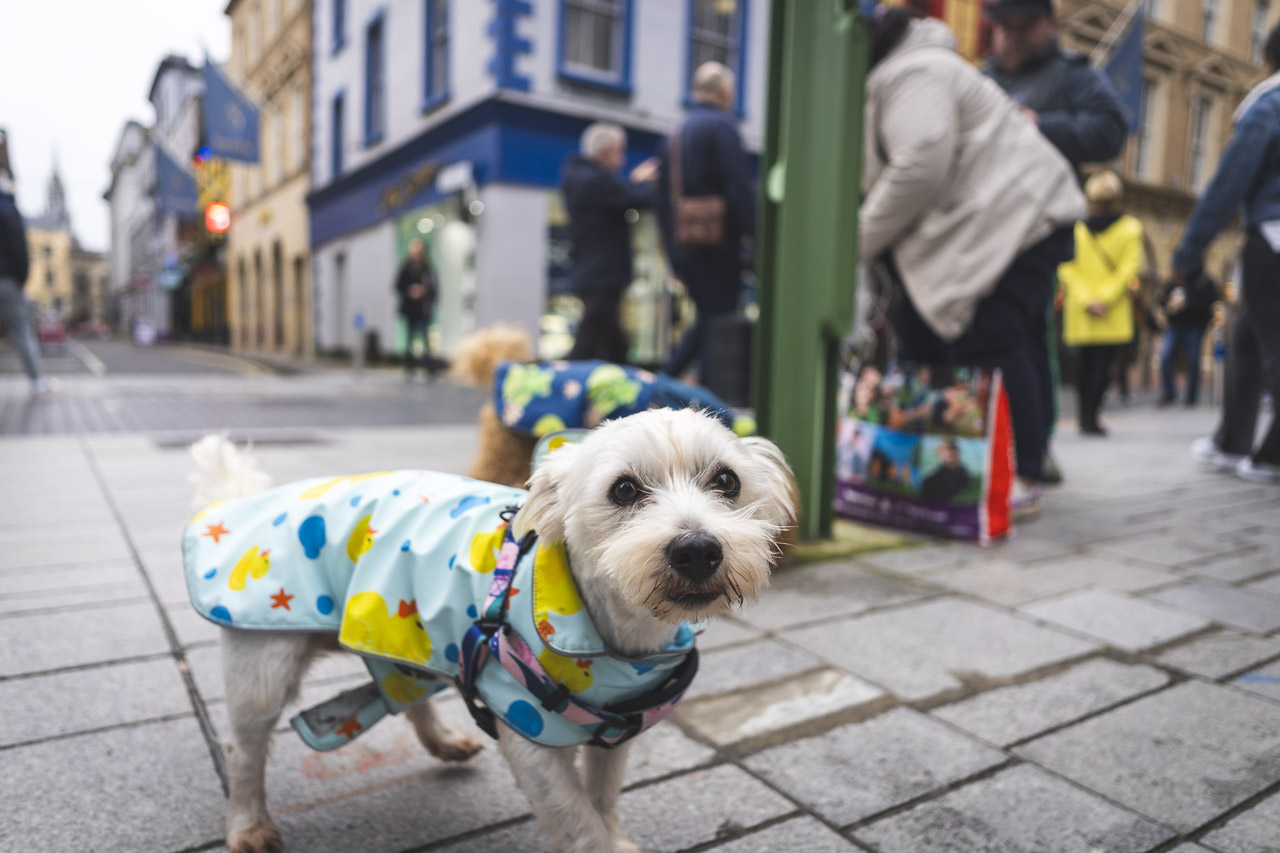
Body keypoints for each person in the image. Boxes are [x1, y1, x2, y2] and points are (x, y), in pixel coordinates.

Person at [861, 8, 1084, 516]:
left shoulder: (913, 73)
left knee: (995, 343)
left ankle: (1019, 473)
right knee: (962, 341)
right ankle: (975, 465)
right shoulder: (917, 68)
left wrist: (858, 241)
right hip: (1004, 217)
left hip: (1014, 218)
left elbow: (919, 165)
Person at [985, 0, 1129, 478]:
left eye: (1024, 28)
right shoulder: (986, 74)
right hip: (982, 227)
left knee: (1021, 340)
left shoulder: (1073, 75)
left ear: (1050, 26)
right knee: (1001, 341)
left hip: (1037, 231)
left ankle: (1030, 452)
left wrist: (1040, 126)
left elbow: (1111, 130)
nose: (1012, 38)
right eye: (1004, 28)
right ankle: (1002, 446)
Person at [1179, 24, 1280, 485]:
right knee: (1247, 335)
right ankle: (1231, 441)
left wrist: (1190, 251)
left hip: (1273, 236)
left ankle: (1272, 454)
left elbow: (1228, 183)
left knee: (1271, 343)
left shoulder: (1268, 102)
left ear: (1267, 58)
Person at [652, 61, 756, 384]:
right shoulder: (723, 128)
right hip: (717, 246)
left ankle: (665, 380)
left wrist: (672, 252)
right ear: (724, 92)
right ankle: (706, 404)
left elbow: (661, 201)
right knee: (719, 325)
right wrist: (754, 235)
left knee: (708, 321)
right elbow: (738, 187)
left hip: (685, 247)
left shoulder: (674, 134)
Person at [1058, 171, 1141, 437]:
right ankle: (1092, 418)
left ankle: (1083, 417)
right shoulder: (1130, 228)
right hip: (1111, 311)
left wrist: (1086, 299)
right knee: (1103, 366)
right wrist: (1105, 299)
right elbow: (1128, 269)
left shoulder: (1076, 227)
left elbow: (1067, 267)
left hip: (1081, 310)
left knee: (1083, 365)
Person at [561, 122, 652, 364]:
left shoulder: (581, 177)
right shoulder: (592, 181)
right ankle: (554, 393)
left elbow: (622, 194)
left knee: (614, 344)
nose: (622, 160)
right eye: (619, 152)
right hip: (601, 273)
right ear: (603, 152)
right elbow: (635, 197)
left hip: (596, 272)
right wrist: (642, 181)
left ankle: (631, 391)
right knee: (587, 345)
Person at [0, 129, 47, 395]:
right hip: (6, 278)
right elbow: (17, 243)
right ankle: (36, 381)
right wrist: (22, 275)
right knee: (21, 330)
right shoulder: (5, 204)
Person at [1156, 269, 1218, 408]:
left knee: (1193, 359)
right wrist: (1169, 303)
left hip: (1194, 327)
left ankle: (1191, 396)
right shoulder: (1173, 281)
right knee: (1165, 356)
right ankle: (1169, 392)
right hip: (1175, 326)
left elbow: (1209, 302)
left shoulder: (1202, 281)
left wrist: (1188, 301)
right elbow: (1162, 301)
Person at [395, 238, 438, 380]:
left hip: (423, 310)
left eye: (419, 250)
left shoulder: (427, 268)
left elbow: (434, 288)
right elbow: (397, 285)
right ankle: (409, 366)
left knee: (426, 338)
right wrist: (410, 291)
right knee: (410, 338)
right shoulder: (406, 267)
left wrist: (424, 292)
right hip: (410, 310)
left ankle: (429, 367)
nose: (416, 253)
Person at [922, 439, 972, 503]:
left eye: (954, 448)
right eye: (948, 449)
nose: (951, 451)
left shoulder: (968, 477)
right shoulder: (930, 481)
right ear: (940, 455)